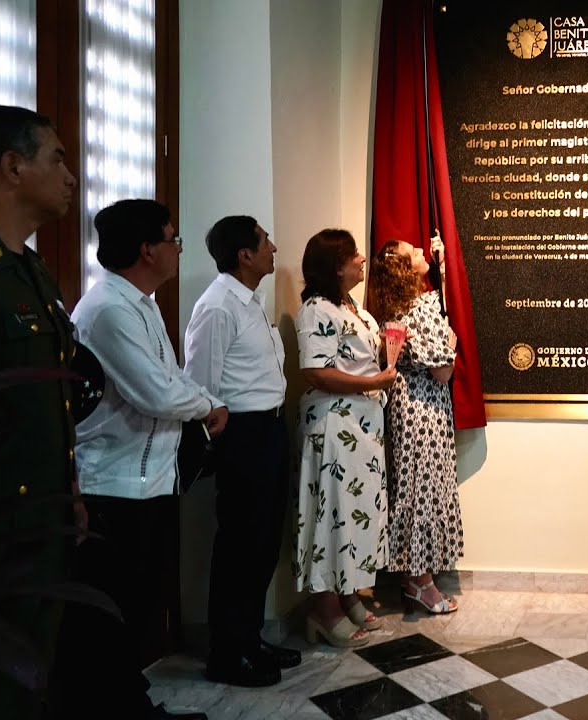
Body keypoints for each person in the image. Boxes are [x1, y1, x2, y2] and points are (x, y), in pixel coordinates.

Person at [71, 199, 226, 719]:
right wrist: (209, 405)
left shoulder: (142, 302)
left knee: (139, 605)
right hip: (113, 483)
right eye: (173, 239)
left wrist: (202, 401)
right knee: (112, 611)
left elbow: (172, 376)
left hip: (150, 480)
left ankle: (131, 701)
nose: (179, 249)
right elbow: (156, 393)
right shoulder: (109, 309)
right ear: (147, 249)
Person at [0, 105, 80, 719]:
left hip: (42, 520)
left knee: (29, 676)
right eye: (56, 158)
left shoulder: (31, 269)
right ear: (12, 166)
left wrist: (68, 490)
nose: (71, 176)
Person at [183, 216, 300, 686]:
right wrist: (219, 441)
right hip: (241, 436)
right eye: (264, 240)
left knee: (264, 543)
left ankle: (249, 638)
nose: (274, 246)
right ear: (244, 256)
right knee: (239, 546)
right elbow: (201, 383)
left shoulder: (251, 302)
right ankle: (227, 654)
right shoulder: (217, 307)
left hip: (269, 431)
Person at [292, 228, 396, 647]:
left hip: (363, 429)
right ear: (336, 265)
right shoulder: (316, 309)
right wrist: (375, 379)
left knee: (354, 512)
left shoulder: (352, 307)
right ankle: (323, 608)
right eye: (355, 255)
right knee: (331, 511)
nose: (362, 259)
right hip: (335, 430)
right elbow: (315, 371)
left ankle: (348, 591)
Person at [368, 240, 462, 614]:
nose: (424, 252)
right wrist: (451, 345)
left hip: (406, 409)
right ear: (405, 269)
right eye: (416, 252)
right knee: (424, 491)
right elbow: (442, 371)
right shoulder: (421, 307)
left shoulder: (393, 308)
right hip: (426, 410)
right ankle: (421, 583)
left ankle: (413, 579)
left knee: (412, 488)